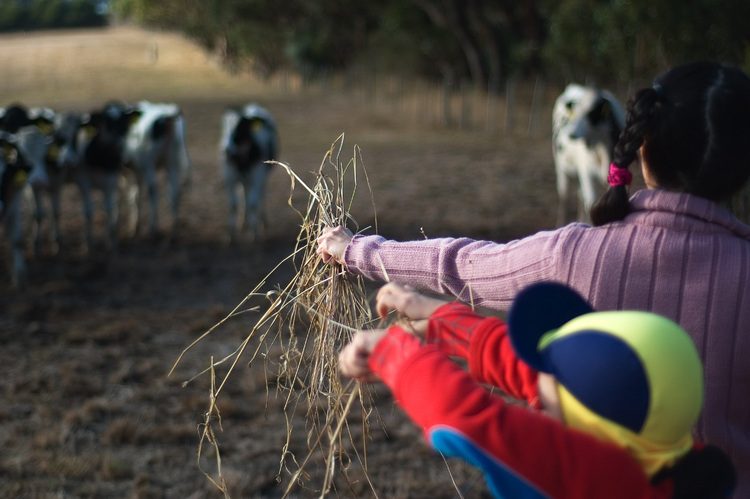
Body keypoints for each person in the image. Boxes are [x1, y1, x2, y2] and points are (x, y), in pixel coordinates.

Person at [318, 60, 750, 496]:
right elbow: (524, 370)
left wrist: (357, 252)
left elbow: (459, 267)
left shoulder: (574, 255)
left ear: (643, 145)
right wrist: (444, 323)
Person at [339, 281, 735, 498]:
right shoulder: (664, 455)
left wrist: (392, 353)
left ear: (586, 418)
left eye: (548, 374)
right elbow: (525, 371)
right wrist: (442, 317)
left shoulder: (603, 480)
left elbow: (471, 422)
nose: (532, 377)